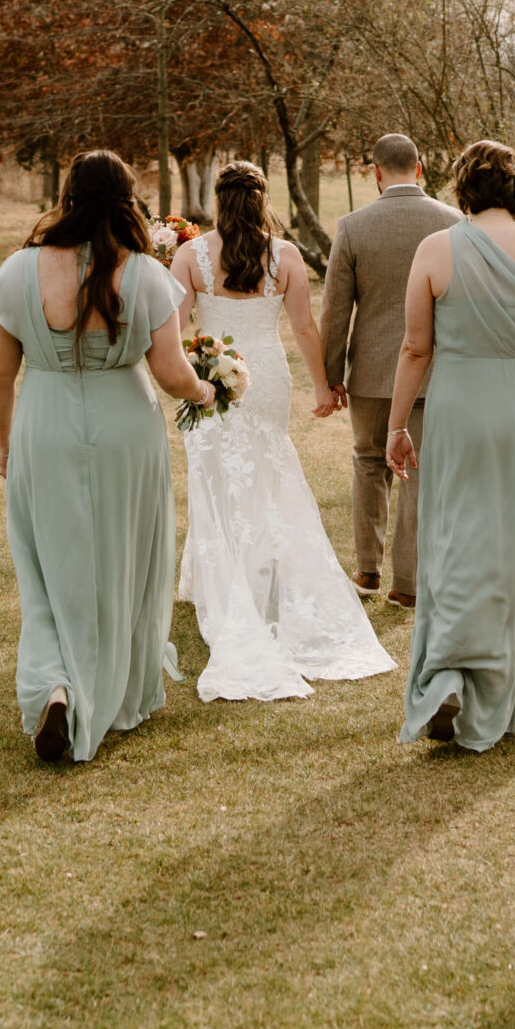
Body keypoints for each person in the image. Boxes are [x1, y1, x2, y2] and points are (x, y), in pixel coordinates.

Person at [0, 150, 214, 765]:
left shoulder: (16, 272)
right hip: (125, 428)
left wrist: (8, 446)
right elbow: (171, 372)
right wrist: (207, 388)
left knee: (46, 571)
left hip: (45, 424)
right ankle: (113, 689)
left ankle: (55, 687)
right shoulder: (142, 272)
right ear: (125, 199)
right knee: (126, 560)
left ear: (67, 197)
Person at [387, 140, 515, 751]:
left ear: (462, 190)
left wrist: (396, 428)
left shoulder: (435, 249)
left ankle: (453, 674)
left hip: (461, 408)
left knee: (458, 538)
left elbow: (415, 348)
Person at [173, 162, 394, 701]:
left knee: (215, 472)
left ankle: (227, 578)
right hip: (266, 375)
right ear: (263, 198)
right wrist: (323, 386)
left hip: (212, 370)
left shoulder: (192, 255)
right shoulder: (286, 255)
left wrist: (188, 368)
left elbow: (174, 328)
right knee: (265, 472)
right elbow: (302, 328)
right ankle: (243, 573)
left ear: (220, 201)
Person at [319, 133, 462, 608]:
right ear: (419, 169)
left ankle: (367, 569)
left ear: (376, 172)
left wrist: (331, 372)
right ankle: (409, 583)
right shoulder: (454, 223)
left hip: (370, 375)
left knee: (368, 462)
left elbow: (336, 309)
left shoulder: (354, 226)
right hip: (433, 374)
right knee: (417, 473)